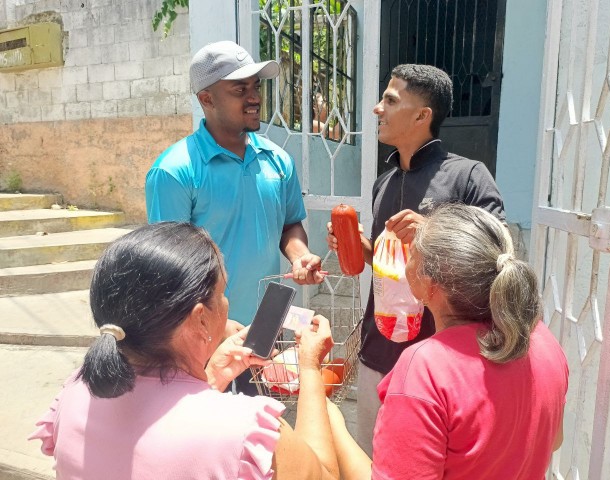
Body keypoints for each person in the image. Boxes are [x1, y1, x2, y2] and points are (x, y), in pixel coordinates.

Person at [29, 222, 339, 480]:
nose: (226, 303)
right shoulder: (244, 430)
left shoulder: (75, 392)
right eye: (222, 292)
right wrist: (310, 368)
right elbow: (325, 473)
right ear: (200, 319)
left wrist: (213, 375)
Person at [327, 64, 505, 454]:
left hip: (441, 362)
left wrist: (432, 230)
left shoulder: (468, 176)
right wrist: (358, 245)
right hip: (378, 352)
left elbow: (498, 254)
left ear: (422, 115)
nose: (377, 109)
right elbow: (391, 264)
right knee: (373, 462)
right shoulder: (384, 183)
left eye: (390, 100)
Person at [327, 203, 568, 479]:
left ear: (429, 284)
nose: (406, 260)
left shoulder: (426, 370)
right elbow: (553, 440)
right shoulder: (541, 339)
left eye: (412, 253)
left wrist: (330, 419)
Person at [146, 41, 325, 395]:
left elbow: (289, 223)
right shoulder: (174, 172)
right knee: (210, 427)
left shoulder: (277, 161)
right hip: (205, 342)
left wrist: (299, 255)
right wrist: (214, 328)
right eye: (239, 89)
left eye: (256, 86)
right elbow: (169, 272)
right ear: (206, 99)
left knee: (263, 419)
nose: (254, 97)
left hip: (266, 327)